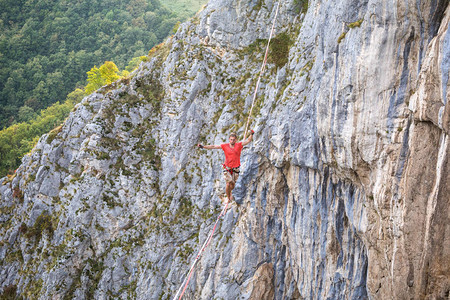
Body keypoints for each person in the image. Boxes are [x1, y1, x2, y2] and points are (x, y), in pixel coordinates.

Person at [197, 130, 254, 202]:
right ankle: (228, 197)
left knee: (232, 185)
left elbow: (248, 140)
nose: (232, 141)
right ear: (229, 140)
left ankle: (230, 192)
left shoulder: (239, 145)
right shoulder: (225, 146)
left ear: (236, 140)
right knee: (228, 183)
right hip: (227, 168)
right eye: (231, 139)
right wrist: (203, 146)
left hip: (236, 169)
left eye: (233, 140)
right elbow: (214, 146)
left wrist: (251, 134)